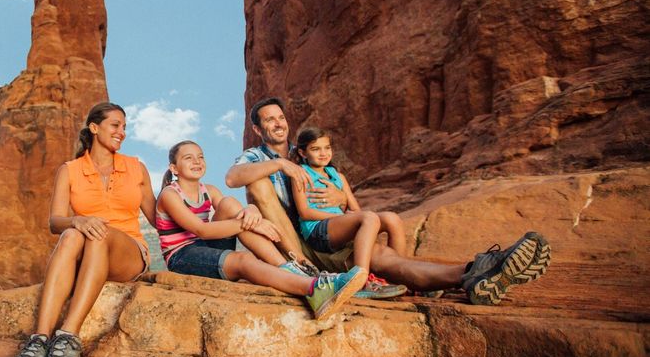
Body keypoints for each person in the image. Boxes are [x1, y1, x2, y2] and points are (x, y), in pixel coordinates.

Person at [225, 97, 551, 304]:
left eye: (280, 117)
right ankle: (303, 268)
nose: (277, 123)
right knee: (258, 185)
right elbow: (232, 179)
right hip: (295, 241)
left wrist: (340, 196)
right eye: (269, 120)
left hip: (329, 236)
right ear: (257, 128)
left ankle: (477, 270)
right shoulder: (257, 155)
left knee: (392, 261)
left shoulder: (306, 151)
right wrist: (280, 164)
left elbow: (337, 194)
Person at [4, 102, 156, 357]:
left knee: (98, 232)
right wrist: (78, 220)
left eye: (124, 127)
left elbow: (159, 219)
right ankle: (38, 341)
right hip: (85, 251)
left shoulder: (136, 168)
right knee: (72, 234)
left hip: (128, 252)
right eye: (115, 125)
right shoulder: (70, 170)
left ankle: (68, 337)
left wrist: (193, 197)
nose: (122, 132)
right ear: (94, 128)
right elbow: (55, 221)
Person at [157, 140, 367, 319]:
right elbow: (201, 230)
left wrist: (251, 209)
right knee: (245, 260)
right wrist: (253, 222)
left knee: (230, 204)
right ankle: (313, 289)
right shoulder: (170, 194)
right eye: (188, 158)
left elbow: (233, 211)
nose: (197, 162)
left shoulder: (208, 190)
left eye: (200, 157)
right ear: (174, 168)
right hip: (183, 256)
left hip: (208, 247)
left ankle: (286, 268)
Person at [291, 127, 408, 298]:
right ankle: (359, 282)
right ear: (302, 152)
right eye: (315, 149)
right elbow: (305, 212)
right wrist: (341, 217)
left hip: (338, 226)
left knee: (392, 218)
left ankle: (398, 278)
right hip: (317, 230)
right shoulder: (300, 174)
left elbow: (355, 209)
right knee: (368, 218)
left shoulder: (337, 176)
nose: (323, 153)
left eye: (327, 147)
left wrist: (347, 213)